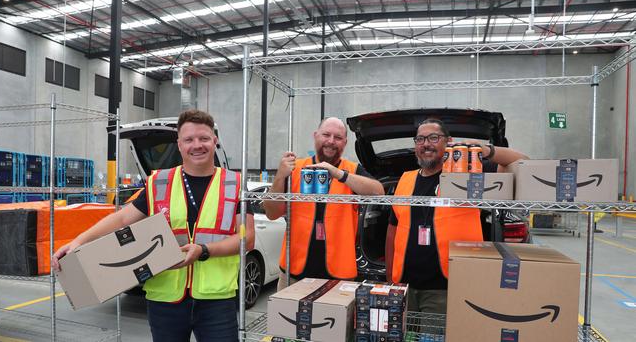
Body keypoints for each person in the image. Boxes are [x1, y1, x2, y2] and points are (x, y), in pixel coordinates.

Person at [52, 109, 255, 342]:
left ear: (214, 141)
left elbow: (246, 238)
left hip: (217, 300)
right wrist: (77, 242)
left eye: (204, 138)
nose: (196, 145)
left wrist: (203, 250)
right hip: (165, 298)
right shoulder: (159, 182)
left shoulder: (235, 184)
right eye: (189, 139)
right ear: (179, 144)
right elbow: (122, 219)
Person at [385, 118, 528, 314]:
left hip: (446, 288)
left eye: (433, 138)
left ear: (449, 141)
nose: (426, 144)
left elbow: (523, 162)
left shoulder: (469, 176)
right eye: (420, 139)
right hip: (404, 285)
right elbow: (392, 231)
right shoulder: (405, 179)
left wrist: (486, 151)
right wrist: (390, 280)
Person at [264, 117, 384, 290]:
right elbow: (271, 213)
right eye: (326, 134)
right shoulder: (294, 168)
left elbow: (378, 192)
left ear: (345, 142)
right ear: (315, 136)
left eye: (338, 137)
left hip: (338, 278)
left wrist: (339, 174)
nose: (331, 141)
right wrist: (280, 176)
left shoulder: (351, 170)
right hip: (293, 273)